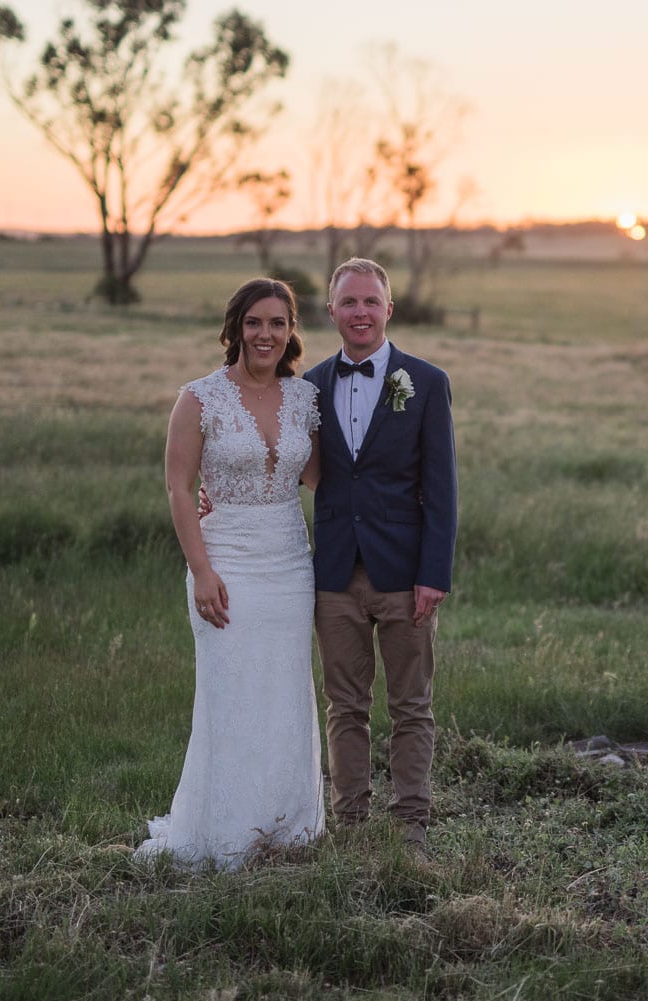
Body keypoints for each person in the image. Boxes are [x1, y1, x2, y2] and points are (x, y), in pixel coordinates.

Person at [134, 278, 326, 869]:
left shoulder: (303, 399)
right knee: (231, 693)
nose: (265, 334)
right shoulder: (200, 399)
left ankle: (288, 829)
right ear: (235, 328)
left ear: (291, 331)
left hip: (291, 563)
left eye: (277, 323)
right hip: (226, 564)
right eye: (254, 322)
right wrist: (201, 570)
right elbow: (177, 486)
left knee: (286, 691)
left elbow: (320, 479)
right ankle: (224, 833)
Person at [302, 258, 458, 849]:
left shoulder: (426, 382)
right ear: (332, 312)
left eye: (371, 302)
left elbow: (442, 488)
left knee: (412, 705)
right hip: (335, 573)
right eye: (349, 303)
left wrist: (433, 574)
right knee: (345, 706)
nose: (361, 312)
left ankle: (412, 823)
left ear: (388, 309)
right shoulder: (309, 387)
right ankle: (350, 823)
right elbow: (286, 460)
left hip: (404, 573)